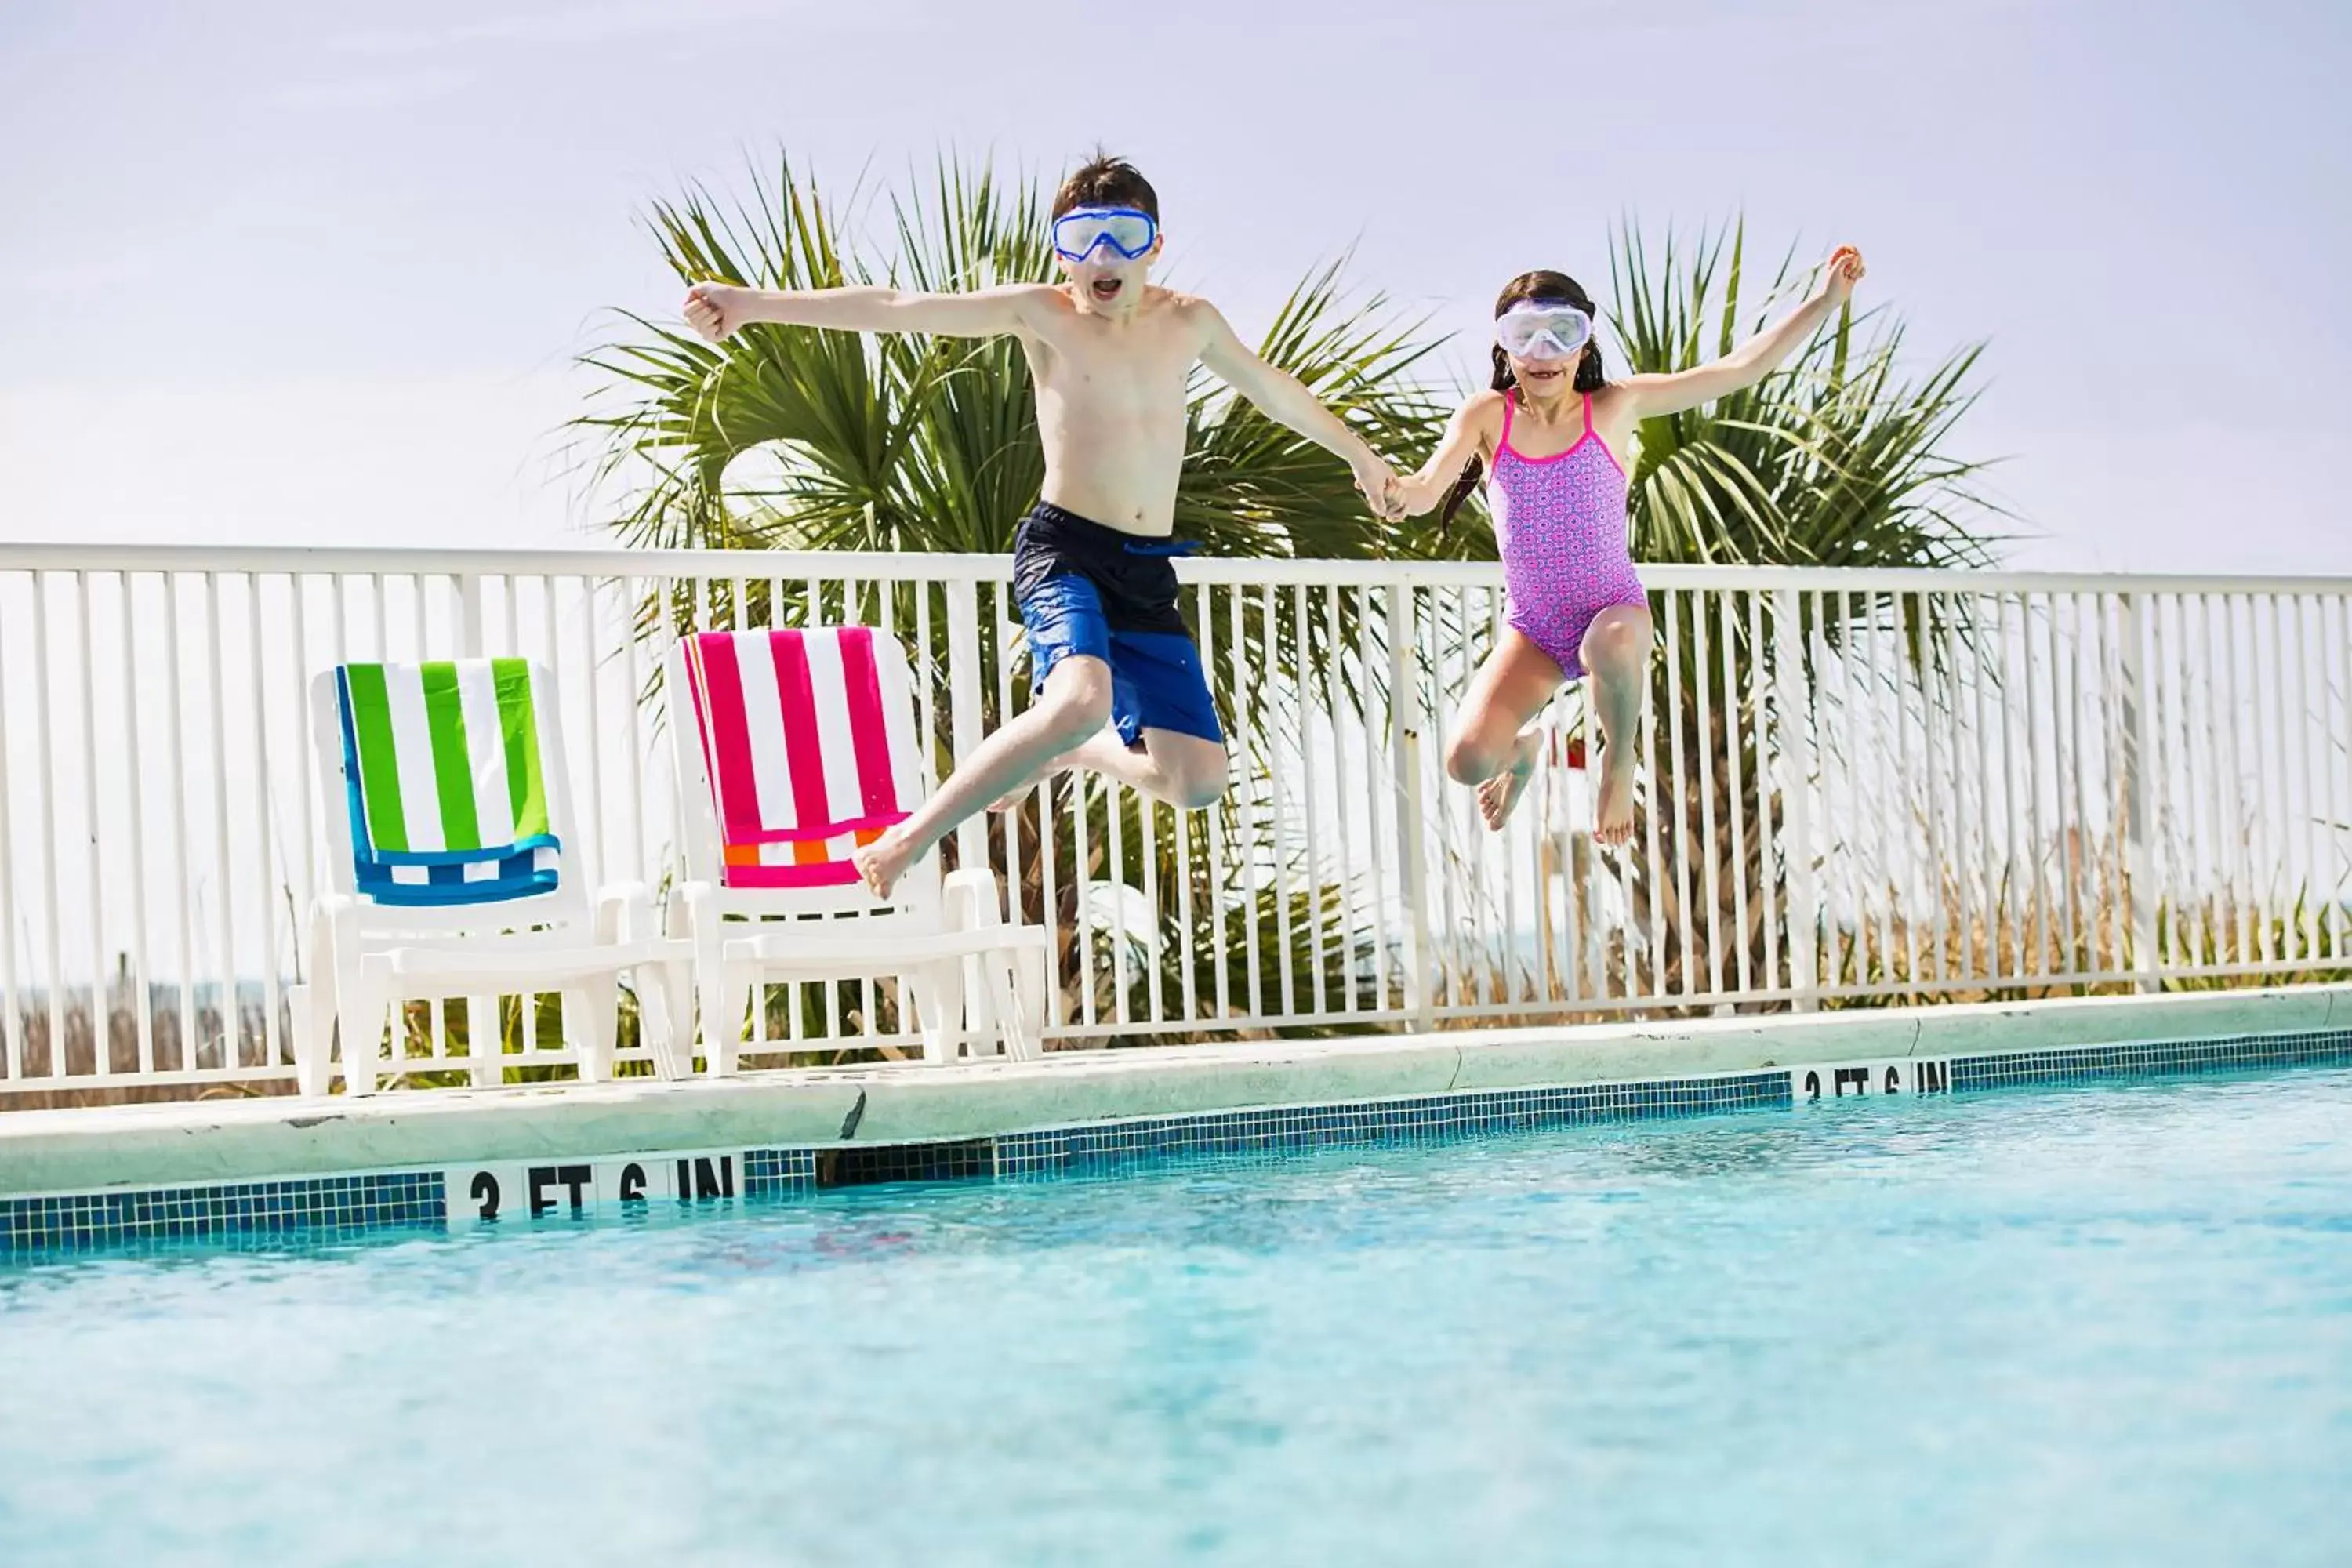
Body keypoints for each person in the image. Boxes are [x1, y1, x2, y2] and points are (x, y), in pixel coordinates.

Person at [681, 152, 1403, 897]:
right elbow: (899, 307)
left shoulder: (1190, 322)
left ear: (1156, 244)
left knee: (1196, 781)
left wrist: (1358, 454)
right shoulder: (1043, 313)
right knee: (1080, 700)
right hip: (1065, 551)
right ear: (1061, 251)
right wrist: (752, 303)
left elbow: (1274, 390)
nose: (1103, 258)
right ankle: (908, 839)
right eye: (1083, 238)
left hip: (1146, 568)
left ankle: (1075, 754)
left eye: (1123, 235)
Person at [1389, 246, 1867, 845]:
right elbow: (1427, 486)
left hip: (1614, 611)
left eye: (1561, 334)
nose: (1543, 354)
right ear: (1504, 347)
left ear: (1584, 346)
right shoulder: (1489, 414)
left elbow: (1739, 369)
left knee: (1608, 643)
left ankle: (1618, 764)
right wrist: (1399, 494)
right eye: (1524, 335)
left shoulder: (1614, 406)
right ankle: (1525, 751)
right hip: (1534, 632)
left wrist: (1825, 302)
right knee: (1466, 761)